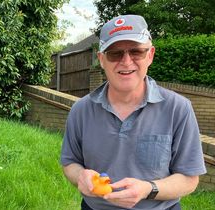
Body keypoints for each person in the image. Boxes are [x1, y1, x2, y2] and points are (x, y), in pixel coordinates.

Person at [60, 14, 207, 210]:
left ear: (150, 55)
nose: (126, 61)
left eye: (136, 51)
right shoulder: (81, 110)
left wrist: (148, 189)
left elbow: (189, 178)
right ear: (102, 60)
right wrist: (81, 176)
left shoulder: (178, 109)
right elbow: (70, 162)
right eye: (115, 53)